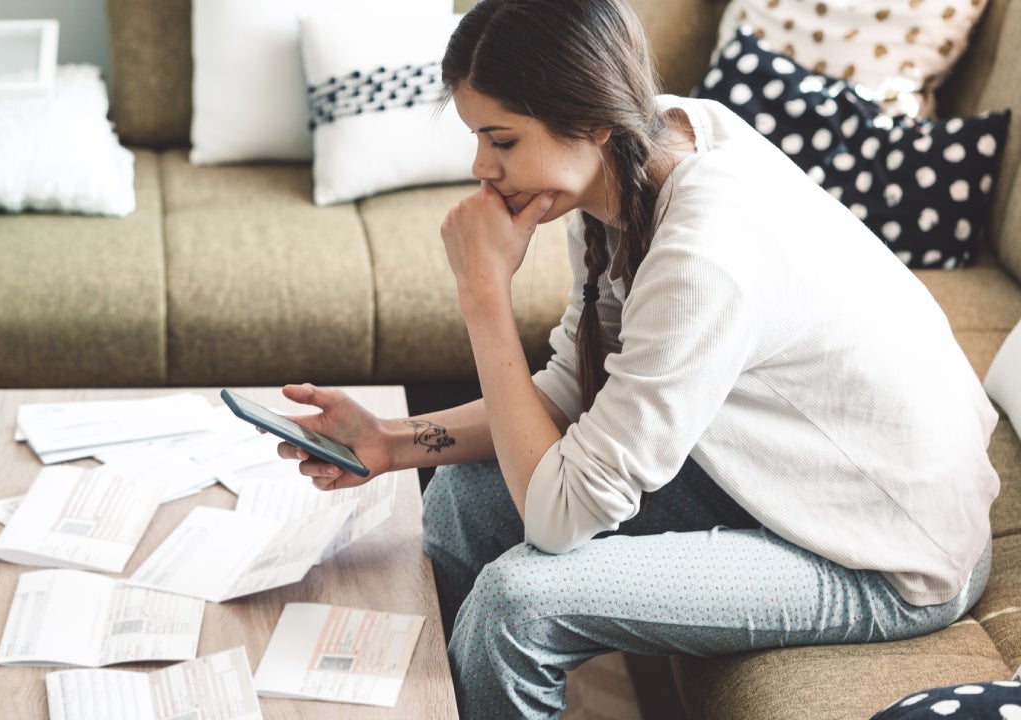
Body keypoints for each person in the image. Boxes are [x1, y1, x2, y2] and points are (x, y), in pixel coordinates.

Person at [273, 0, 1000, 716]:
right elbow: (573, 384)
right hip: (787, 478)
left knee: (518, 607)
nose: (480, 167)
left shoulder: (704, 250)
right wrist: (393, 442)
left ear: (590, 117)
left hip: (884, 555)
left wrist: (484, 298)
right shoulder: (639, 152)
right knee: (466, 499)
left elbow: (560, 517)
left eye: (500, 140)